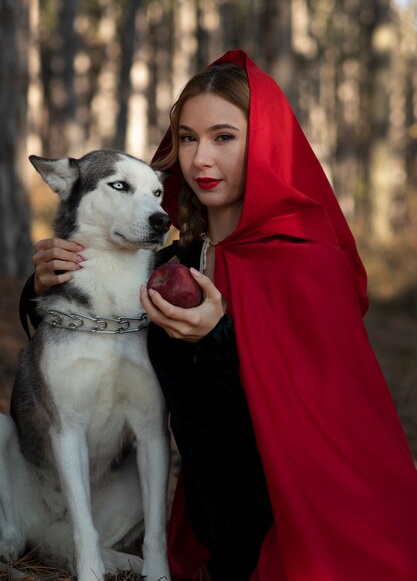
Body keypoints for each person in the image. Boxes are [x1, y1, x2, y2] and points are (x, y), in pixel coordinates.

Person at [20, 50, 417, 581]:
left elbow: (322, 425)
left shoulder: (307, 264)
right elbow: (82, 318)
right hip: (202, 542)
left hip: (300, 530)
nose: (201, 159)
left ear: (265, 144)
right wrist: (44, 280)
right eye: (188, 138)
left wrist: (219, 338)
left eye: (224, 137)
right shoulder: (175, 262)